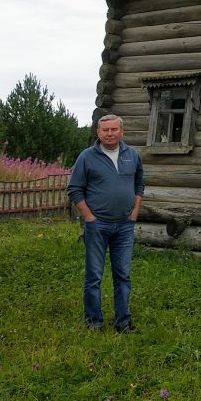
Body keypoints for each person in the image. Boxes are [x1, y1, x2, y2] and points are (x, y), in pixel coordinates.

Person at [67, 114, 144, 332]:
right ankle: (94, 322)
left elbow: (140, 184)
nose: (109, 134)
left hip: (125, 226)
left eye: (113, 129)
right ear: (98, 133)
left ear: (122, 131)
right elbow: (74, 189)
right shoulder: (87, 157)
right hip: (97, 225)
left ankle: (123, 322)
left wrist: (135, 211)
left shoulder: (132, 156)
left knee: (123, 275)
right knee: (94, 276)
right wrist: (89, 217)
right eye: (105, 130)